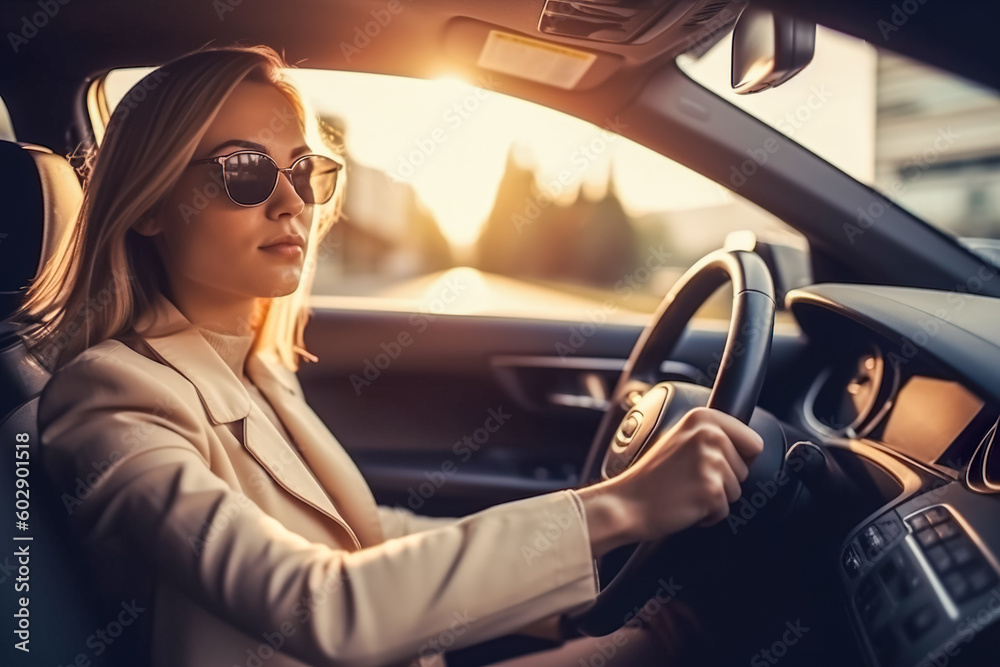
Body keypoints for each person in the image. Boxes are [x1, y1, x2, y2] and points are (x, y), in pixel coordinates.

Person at [12, 45, 764, 667]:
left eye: (303, 171)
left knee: (677, 634)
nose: (291, 202)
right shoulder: (112, 395)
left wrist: (590, 563)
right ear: (147, 203)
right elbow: (319, 605)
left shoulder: (254, 368)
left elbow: (372, 533)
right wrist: (620, 506)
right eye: (244, 171)